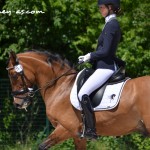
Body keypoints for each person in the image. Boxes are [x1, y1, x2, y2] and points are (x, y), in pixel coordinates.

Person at [78, 0, 121, 139]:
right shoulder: (109, 24)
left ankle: (91, 129)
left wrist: (88, 56)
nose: (100, 10)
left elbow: (106, 51)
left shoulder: (111, 25)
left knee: (82, 93)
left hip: (105, 67)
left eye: (101, 7)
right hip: (104, 65)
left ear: (110, 7)